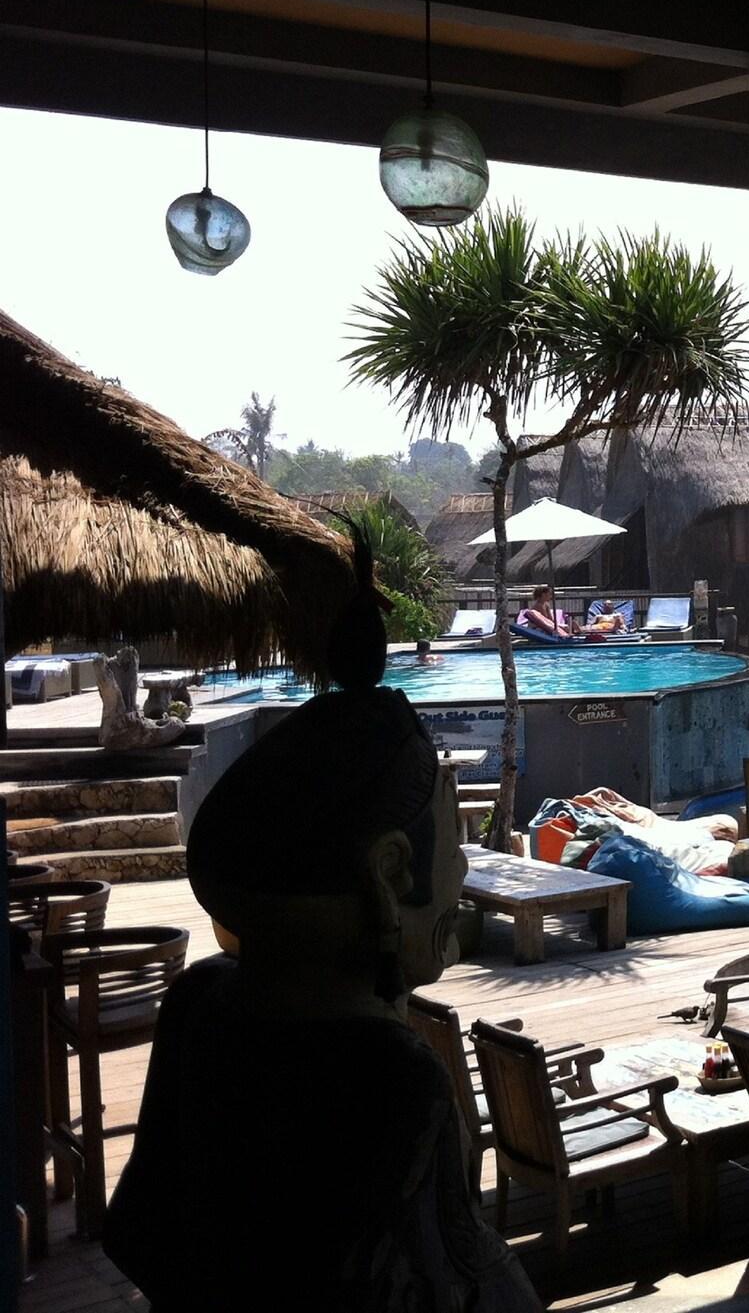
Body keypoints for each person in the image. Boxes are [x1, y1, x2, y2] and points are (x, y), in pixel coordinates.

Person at [104, 526, 540, 1312]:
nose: (465, 870)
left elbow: (139, 1228)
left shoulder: (203, 1001)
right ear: (390, 874)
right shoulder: (396, 1082)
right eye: (454, 846)